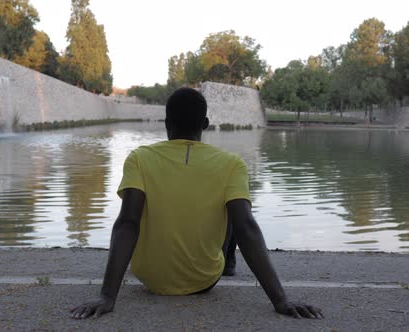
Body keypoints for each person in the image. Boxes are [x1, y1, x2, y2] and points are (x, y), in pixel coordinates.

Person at [70, 87, 323, 320]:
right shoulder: (232, 164)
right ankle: (229, 266)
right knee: (237, 213)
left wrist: (107, 296)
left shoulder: (139, 159)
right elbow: (247, 229)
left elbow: (127, 224)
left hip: (150, 278)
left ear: (167, 123)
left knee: (138, 210)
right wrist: (281, 300)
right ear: (205, 124)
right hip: (203, 281)